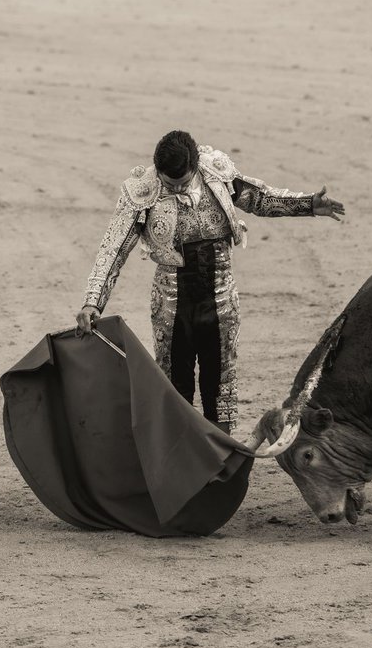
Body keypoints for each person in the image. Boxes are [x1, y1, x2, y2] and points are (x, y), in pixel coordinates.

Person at [76, 131, 344, 434]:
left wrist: (308, 204)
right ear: (157, 169)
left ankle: (220, 460)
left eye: (182, 183)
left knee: (220, 384)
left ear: (195, 165)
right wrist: (92, 301)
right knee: (176, 385)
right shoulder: (142, 192)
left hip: (220, 298)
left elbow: (259, 198)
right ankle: (182, 460)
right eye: (169, 184)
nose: (176, 189)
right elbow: (113, 249)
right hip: (171, 303)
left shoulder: (215, 174)